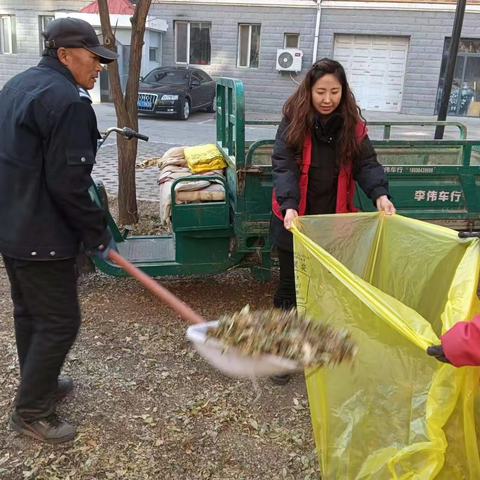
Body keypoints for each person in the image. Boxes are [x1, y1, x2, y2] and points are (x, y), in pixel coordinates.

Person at [0, 17, 119, 444]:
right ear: (65, 55)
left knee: (30, 313)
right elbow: (70, 185)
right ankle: (31, 411)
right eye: (94, 58)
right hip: (42, 234)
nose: (99, 67)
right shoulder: (67, 102)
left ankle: (41, 383)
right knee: (60, 321)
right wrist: (98, 234)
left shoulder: (17, 86)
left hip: (12, 227)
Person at [270, 58, 395, 385]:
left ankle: (319, 347)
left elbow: (367, 164)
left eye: (334, 91)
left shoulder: (352, 126)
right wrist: (290, 207)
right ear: (309, 90)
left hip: (333, 223)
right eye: (321, 91)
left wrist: (380, 194)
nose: (327, 99)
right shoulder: (293, 123)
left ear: (343, 91)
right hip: (294, 221)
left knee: (328, 289)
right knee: (290, 289)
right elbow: (283, 167)